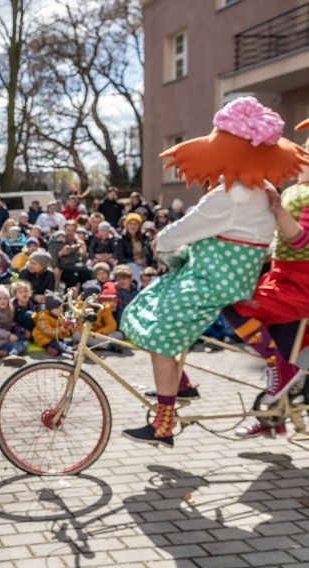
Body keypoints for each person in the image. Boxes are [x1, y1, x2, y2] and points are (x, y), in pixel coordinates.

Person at [120, 97, 308, 448]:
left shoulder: (229, 196)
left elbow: (181, 231)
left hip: (213, 280)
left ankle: (164, 423)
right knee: (154, 305)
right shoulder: (265, 190)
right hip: (225, 278)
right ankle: (180, 384)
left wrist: (160, 243)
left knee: (159, 331)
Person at [224, 120, 309, 435]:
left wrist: (279, 212)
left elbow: (301, 240)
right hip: (282, 276)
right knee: (280, 350)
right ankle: (273, 420)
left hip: (299, 285)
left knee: (232, 304)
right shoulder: (295, 190)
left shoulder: (304, 194)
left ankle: (281, 376)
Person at [0, 286, 28, 366]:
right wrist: (8, 336)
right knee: (22, 344)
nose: (2, 301)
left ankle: (1, 353)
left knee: (21, 338)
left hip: (0, 338)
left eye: (5, 298)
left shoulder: (7, 309)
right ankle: (12, 355)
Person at [48, 220, 91, 290]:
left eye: (73, 230)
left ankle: (82, 295)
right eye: (68, 230)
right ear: (64, 230)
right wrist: (60, 254)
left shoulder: (78, 242)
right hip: (62, 266)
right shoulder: (58, 240)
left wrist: (83, 252)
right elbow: (52, 255)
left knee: (85, 274)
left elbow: (84, 260)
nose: (70, 233)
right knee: (73, 276)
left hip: (76, 266)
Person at [115, 212, 154, 284]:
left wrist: (144, 261)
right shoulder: (121, 239)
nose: (133, 226)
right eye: (130, 224)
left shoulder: (145, 237)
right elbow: (120, 257)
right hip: (129, 265)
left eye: (135, 224)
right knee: (134, 267)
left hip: (144, 264)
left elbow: (149, 253)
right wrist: (134, 261)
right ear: (126, 225)